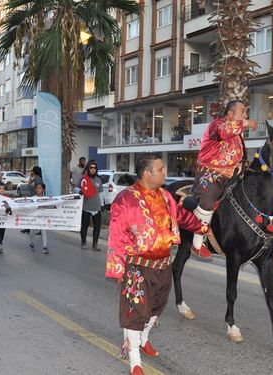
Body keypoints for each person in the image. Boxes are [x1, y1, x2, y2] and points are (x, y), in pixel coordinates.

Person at [105, 153, 180, 375]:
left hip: (164, 265)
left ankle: (144, 339)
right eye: (161, 169)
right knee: (135, 311)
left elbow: (178, 219)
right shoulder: (125, 199)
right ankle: (135, 362)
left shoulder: (166, 196)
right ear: (147, 173)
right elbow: (116, 235)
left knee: (157, 307)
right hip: (138, 267)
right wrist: (117, 268)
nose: (165, 173)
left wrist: (202, 223)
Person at [181, 99, 257, 259]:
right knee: (207, 201)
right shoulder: (217, 125)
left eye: (246, 112)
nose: (245, 114)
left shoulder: (237, 136)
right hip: (211, 173)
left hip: (231, 176)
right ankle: (197, 242)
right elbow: (224, 132)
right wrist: (246, 123)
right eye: (242, 111)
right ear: (230, 114)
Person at [78, 160, 104, 251]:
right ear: (88, 168)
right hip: (86, 207)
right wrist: (79, 192)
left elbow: (101, 193)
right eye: (91, 167)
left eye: (94, 168)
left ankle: (95, 244)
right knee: (85, 226)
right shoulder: (83, 179)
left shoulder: (99, 179)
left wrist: (102, 205)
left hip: (96, 207)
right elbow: (76, 189)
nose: (93, 169)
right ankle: (83, 242)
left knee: (97, 226)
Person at [20, 166, 43, 234]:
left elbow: (29, 186)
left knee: (33, 213)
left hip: (36, 198)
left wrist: (30, 177)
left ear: (35, 171)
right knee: (31, 213)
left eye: (32, 171)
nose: (31, 172)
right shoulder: (36, 178)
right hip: (33, 197)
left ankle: (40, 229)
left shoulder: (37, 179)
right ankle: (29, 228)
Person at [28, 182, 49, 254]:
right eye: (37, 188)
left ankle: (45, 247)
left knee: (43, 231)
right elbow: (28, 205)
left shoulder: (46, 198)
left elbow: (50, 207)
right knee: (31, 232)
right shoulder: (33, 198)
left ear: (43, 189)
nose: (38, 189)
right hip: (34, 218)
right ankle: (31, 243)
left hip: (42, 218)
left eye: (40, 188)